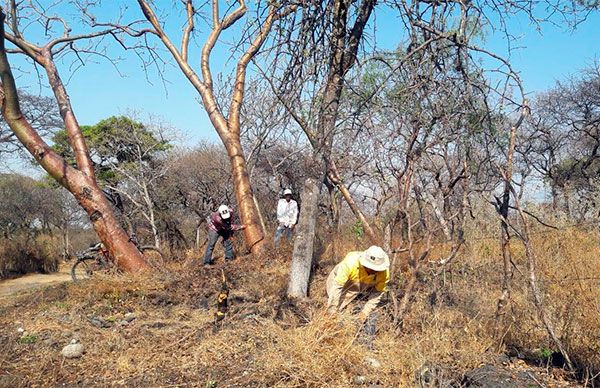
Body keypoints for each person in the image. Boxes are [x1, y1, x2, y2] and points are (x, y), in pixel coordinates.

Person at [326, 246, 390, 321]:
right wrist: (332, 310)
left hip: (359, 288)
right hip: (338, 281)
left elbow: (377, 294)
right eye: (371, 268)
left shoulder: (384, 274)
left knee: (348, 312)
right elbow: (337, 287)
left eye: (376, 269)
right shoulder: (350, 263)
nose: (373, 270)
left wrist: (365, 312)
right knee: (333, 308)